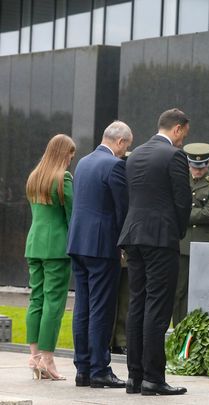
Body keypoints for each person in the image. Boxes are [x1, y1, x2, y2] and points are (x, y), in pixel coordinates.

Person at [118, 108, 191, 396]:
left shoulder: (133, 155)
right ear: (177, 128)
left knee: (137, 303)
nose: (183, 140)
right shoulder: (173, 155)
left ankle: (133, 377)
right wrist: (178, 231)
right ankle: (153, 378)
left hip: (134, 235)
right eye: (184, 134)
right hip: (160, 237)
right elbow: (182, 201)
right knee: (158, 308)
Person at [67, 121, 132, 388]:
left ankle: (82, 368)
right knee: (102, 309)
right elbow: (122, 210)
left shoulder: (83, 162)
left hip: (79, 243)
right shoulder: (114, 165)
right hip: (102, 246)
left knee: (82, 307)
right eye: (126, 146)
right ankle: (99, 370)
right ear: (119, 142)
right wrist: (125, 245)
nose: (125, 151)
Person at [24, 134, 76, 381]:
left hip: (34, 245)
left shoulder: (34, 177)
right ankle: (48, 360)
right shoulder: (63, 178)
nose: (70, 160)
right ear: (63, 154)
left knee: (36, 299)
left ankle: (34, 356)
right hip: (56, 249)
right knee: (53, 304)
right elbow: (72, 216)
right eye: (70, 155)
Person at [174, 143, 209, 327]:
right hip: (182, 244)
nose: (197, 170)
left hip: (204, 244)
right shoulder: (181, 180)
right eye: (194, 166)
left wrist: (184, 215)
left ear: (208, 163)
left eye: (201, 167)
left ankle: (201, 330)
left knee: (203, 290)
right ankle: (180, 329)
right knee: (179, 291)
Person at [111, 152, 131, 356]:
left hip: (125, 251)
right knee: (114, 298)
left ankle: (120, 339)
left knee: (124, 298)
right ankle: (112, 339)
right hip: (116, 248)